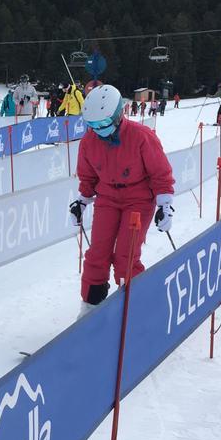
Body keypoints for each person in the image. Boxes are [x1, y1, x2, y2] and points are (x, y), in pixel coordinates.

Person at [70, 85, 174, 314]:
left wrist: (164, 205)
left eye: (103, 125)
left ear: (118, 115)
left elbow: (160, 173)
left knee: (126, 255)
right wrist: (81, 201)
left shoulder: (141, 136)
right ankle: (91, 304)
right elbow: (87, 177)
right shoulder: (89, 142)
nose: (99, 131)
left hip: (138, 199)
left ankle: (134, 306)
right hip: (107, 198)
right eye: (93, 126)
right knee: (97, 253)